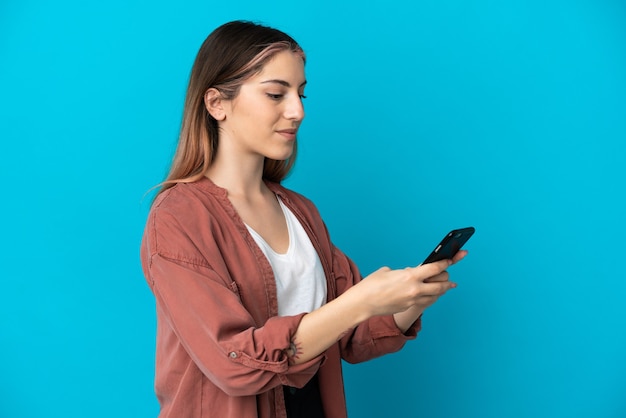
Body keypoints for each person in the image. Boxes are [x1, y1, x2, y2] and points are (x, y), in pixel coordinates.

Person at [140, 20, 467, 418]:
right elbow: (233, 363)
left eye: (301, 93)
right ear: (216, 104)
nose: (297, 111)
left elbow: (354, 336)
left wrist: (412, 298)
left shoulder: (301, 211)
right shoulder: (178, 217)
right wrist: (361, 301)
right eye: (276, 94)